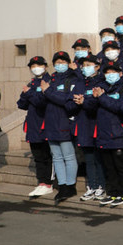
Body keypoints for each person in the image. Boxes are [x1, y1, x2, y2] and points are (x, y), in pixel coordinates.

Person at [93, 60, 123, 207]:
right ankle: (112, 193)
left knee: (121, 166)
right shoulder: (100, 87)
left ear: (120, 73)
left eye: (114, 72)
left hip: (119, 134)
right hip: (103, 134)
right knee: (109, 167)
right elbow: (90, 105)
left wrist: (102, 98)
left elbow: (121, 107)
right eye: (108, 72)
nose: (110, 75)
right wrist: (92, 97)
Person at [42, 51, 79, 204]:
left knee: (68, 156)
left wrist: (48, 91)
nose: (60, 64)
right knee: (56, 157)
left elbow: (68, 101)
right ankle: (62, 184)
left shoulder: (73, 78)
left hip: (64, 122)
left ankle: (70, 185)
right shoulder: (51, 78)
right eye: (57, 61)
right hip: (51, 122)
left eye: (63, 61)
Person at [18, 56, 53, 198]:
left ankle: (48, 183)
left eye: (38, 65)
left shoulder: (49, 81)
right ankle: (41, 182)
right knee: (37, 155)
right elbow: (21, 103)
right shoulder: (32, 82)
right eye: (33, 66)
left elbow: (41, 101)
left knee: (47, 155)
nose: (36, 68)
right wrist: (30, 94)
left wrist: (29, 93)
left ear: (45, 66)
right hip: (32, 124)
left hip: (45, 124)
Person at [73, 55, 106, 202]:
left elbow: (96, 102)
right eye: (83, 65)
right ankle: (91, 186)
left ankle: (101, 186)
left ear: (97, 66)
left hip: (97, 124)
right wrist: (77, 102)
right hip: (84, 124)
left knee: (99, 158)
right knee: (89, 158)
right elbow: (71, 100)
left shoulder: (102, 82)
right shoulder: (80, 83)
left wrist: (84, 101)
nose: (85, 67)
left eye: (89, 64)